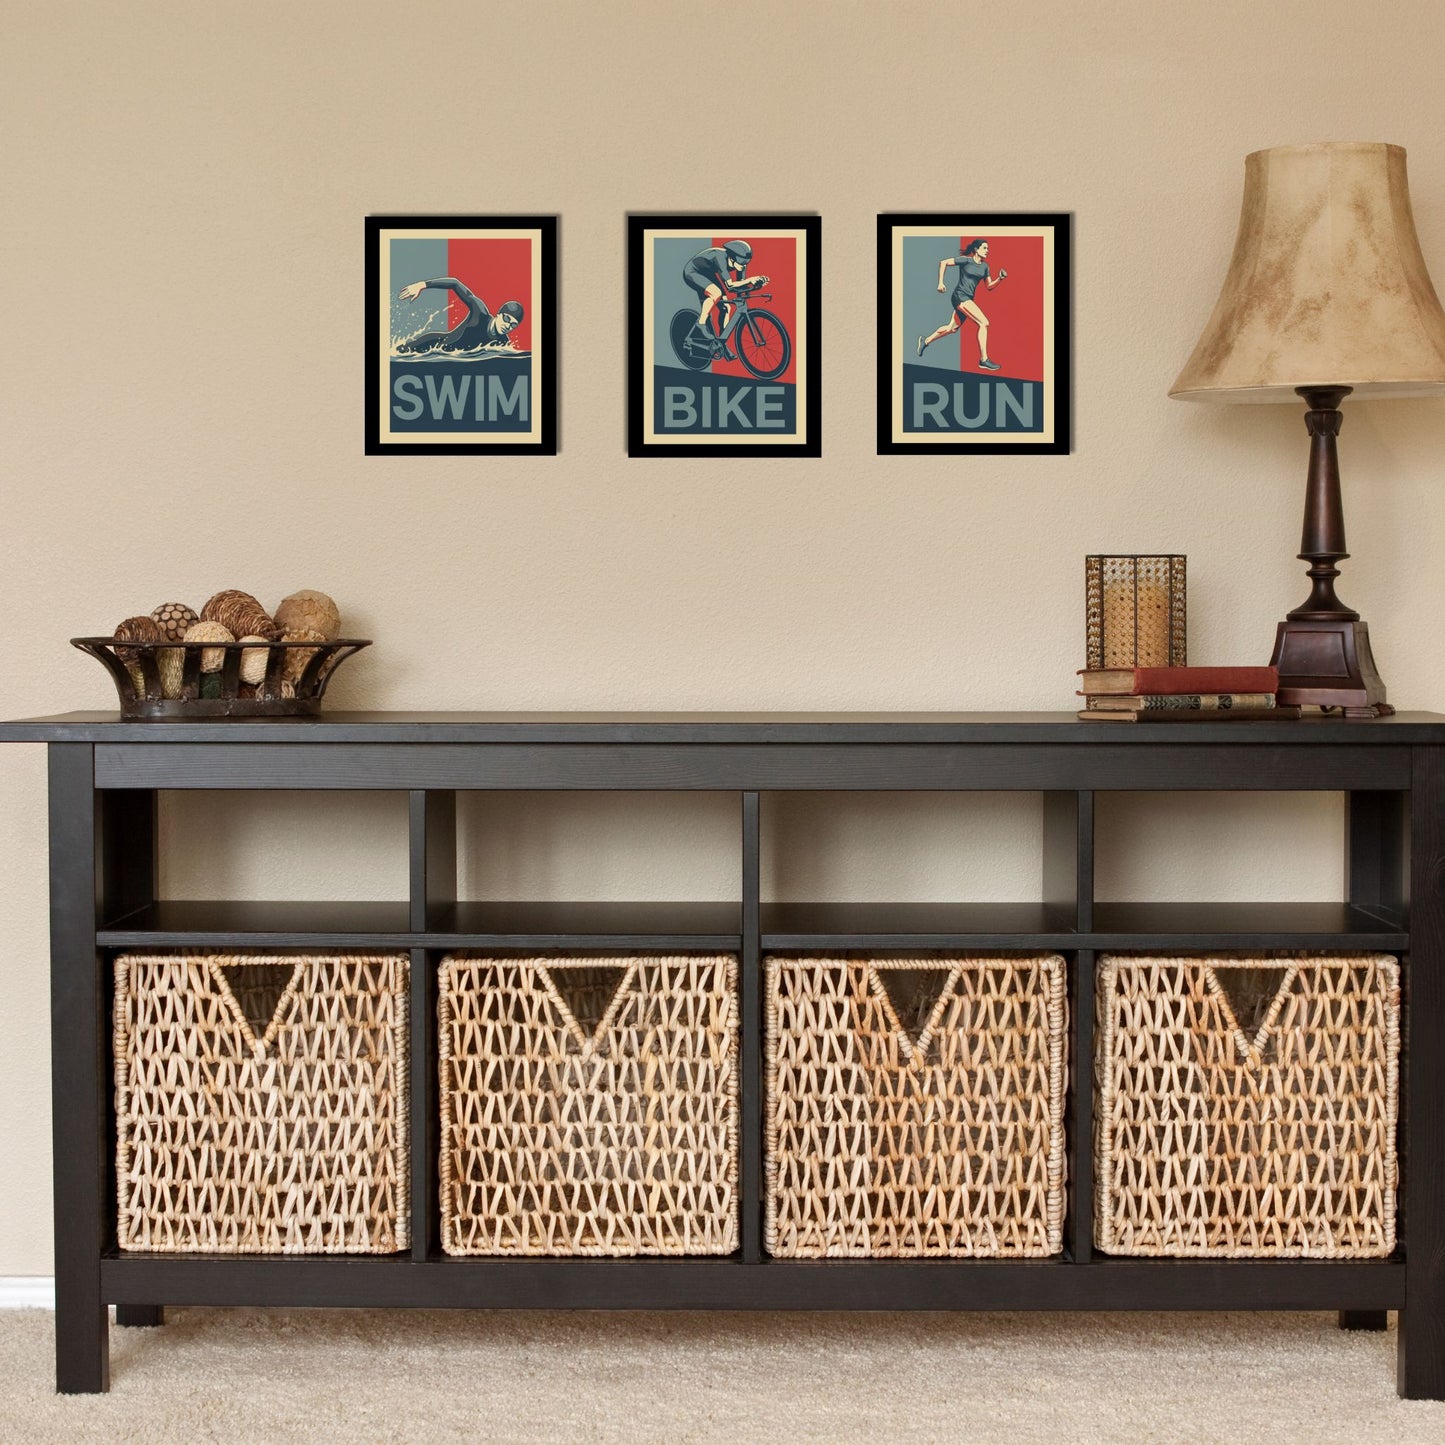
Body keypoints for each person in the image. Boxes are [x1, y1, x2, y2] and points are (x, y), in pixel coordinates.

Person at [916, 239, 1007, 370]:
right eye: (985, 248)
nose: (987, 250)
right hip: (959, 296)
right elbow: (944, 263)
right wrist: (940, 283)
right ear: (976, 249)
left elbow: (989, 286)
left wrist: (1000, 279)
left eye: (988, 248)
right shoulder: (965, 260)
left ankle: (925, 341)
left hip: (968, 299)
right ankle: (984, 359)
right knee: (984, 322)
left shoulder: (985, 267)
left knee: (951, 328)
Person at [682, 240, 769, 360]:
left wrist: (756, 285)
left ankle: (722, 343)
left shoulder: (740, 264)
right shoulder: (720, 257)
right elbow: (730, 286)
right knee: (716, 293)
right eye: (741, 264)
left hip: (708, 273)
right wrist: (750, 280)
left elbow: (740, 289)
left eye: (745, 264)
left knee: (726, 307)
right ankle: (700, 324)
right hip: (693, 271)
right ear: (731, 258)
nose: (743, 267)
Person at [394, 276, 524, 353]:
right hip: (433, 346)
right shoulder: (480, 313)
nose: (508, 326)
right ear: (498, 314)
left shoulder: (503, 343)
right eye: (506, 319)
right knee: (397, 352)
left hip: (449, 360)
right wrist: (422, 285)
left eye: (513, 325)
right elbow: (455, 283)